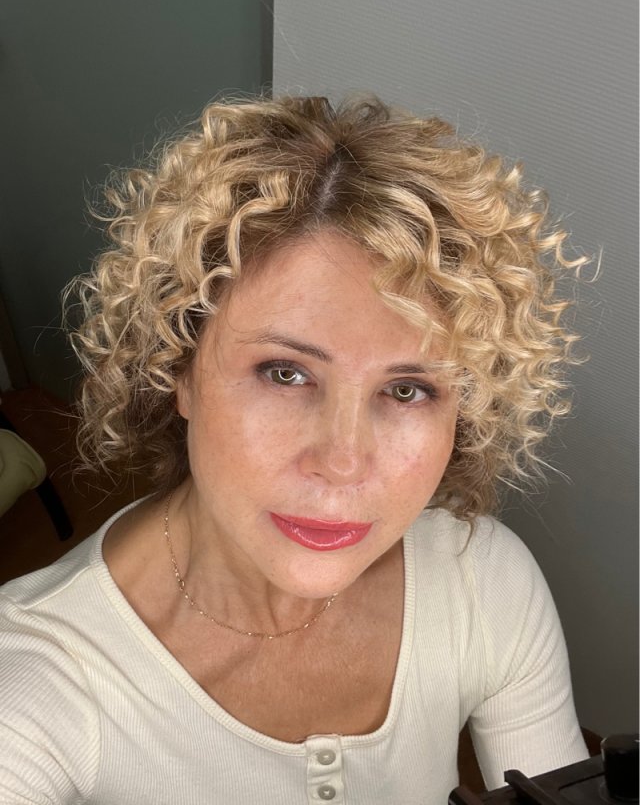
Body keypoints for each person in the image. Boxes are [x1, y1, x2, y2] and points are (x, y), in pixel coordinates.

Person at [0, 95, 589, 803]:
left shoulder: (481, 581)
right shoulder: (33, 689)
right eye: (284, 373)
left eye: (407, 390)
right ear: (177, 369)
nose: (342, 462)